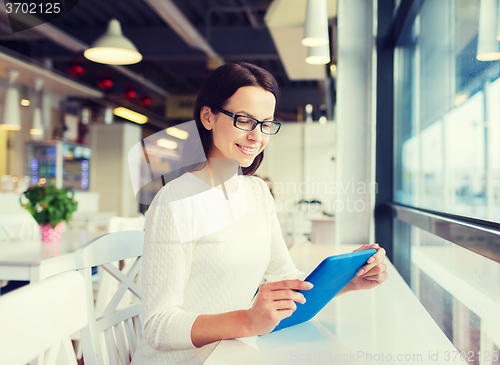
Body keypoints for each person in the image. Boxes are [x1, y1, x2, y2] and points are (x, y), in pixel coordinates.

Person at [131, 63, 387, 365]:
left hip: (234, 353)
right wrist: (247, 321)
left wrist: (347, 281)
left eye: (266, 124)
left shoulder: (257, 193)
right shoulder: (174, 202)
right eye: (244, 120)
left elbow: (285, 277)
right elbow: (158, 326)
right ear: (207, 116)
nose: (257, 135)